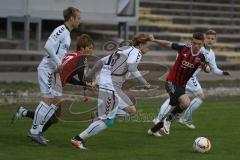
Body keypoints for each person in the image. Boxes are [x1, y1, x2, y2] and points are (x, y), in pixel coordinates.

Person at [71, 34, 151, 149]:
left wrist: (89, 76)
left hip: (110, 85)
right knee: (108, 121)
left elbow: (100, 62)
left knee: (131, 110)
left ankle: (101, 114)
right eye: (148, 46)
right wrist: (145, 83)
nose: (148, 48)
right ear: (141, 45)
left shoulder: (123, 50)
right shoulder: (136, 52)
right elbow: (132, 68)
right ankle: (78, 139)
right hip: (110, 86)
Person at [16, 7, 81, 145]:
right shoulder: (61, 30)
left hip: (54, 71)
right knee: (47, 99)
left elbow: (57, 51)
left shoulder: (67, 34)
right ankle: (34, 132)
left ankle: (38, 131)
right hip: (47, 69)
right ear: (71, 18)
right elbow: (48, 46)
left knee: (57, 101)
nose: (79, 20)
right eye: (78, 18)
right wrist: (59, 63)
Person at [11, 34, 94, 133]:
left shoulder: (73, 55)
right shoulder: (82, 57)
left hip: (53, 80)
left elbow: (69, 78)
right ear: (82, 48)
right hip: (54, 82)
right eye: (90, 48)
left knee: (54, 115)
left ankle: (30, 122)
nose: (91, 51)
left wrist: (84, 85)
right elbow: (81, 74)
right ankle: (34, 129)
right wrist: (87, 85)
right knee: (53, 114)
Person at [152, 30, 231, 130]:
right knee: (180, 98)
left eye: (212, 39)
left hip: (190, 78)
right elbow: (181, 51)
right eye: (208, 38)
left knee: (179, 98)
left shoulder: (210, 54)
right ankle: (168, 119)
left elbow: (212, 69)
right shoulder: (195, 47)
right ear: (204, 39)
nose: (210, 40)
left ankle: (170, 119)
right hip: (186, 77)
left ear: (215, 40)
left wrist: (222, 73)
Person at [147, 32, 210, 137]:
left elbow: (208, 69)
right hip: (171, 81)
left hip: (181, 86)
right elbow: (168, 44)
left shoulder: (201, 57)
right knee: (181, 102)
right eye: (194, 43)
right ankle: (167, 121)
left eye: (199, 44)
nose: (196, 46)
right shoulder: (184, 49)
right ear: (191, 41)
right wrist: (154, 40)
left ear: (202, 44)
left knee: (184, 104)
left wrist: (204, 67)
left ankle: (154, 130)